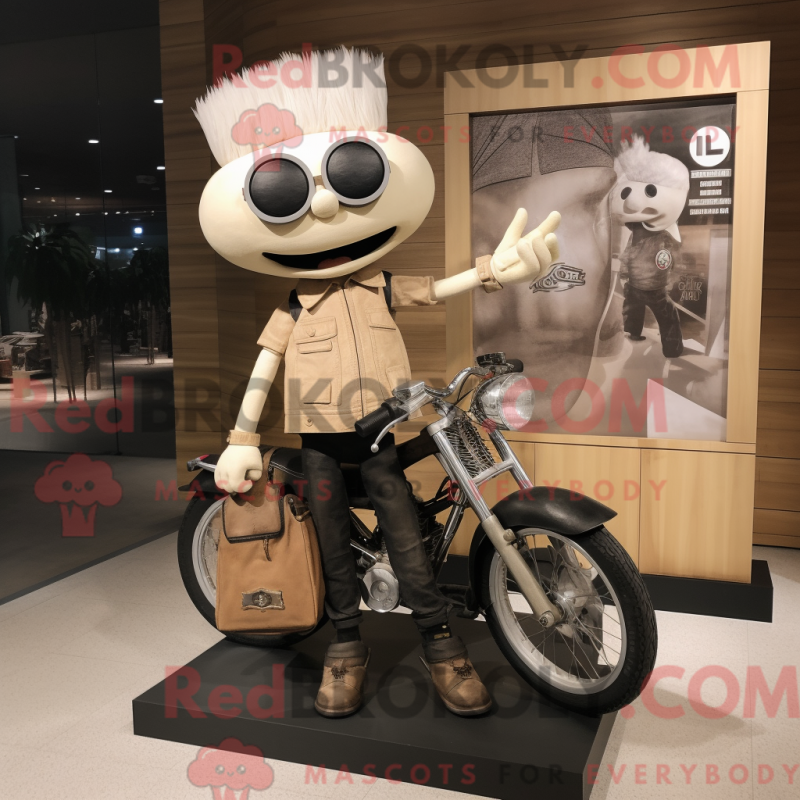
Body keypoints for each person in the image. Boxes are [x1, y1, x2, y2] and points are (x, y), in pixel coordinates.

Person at [193, 46, 562, 718]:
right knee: (332, 543)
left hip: (380, 433)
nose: (324, 204)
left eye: (351, 177)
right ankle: (345, 645)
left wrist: (491, 272)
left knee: (407, 538)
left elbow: (437, 289)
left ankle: (440, 641)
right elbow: (264, 366)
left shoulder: (381, 286)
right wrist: (242, 437)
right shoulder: (294, 306)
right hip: (317, 442)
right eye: (286, 193)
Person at [610, 135, 690, 358]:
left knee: (633, 308)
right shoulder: (661, 234)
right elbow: (667, 260)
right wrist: (667, 277)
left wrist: (625, 272)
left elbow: (631, 253)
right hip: (652, 287)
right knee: (667, 315)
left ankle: (633, 333)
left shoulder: (639, 231)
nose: (633, 202)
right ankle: (672, 349)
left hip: (636, 284)